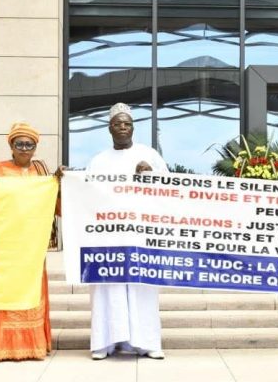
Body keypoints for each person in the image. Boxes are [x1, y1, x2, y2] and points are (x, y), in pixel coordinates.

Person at [79, 102, 166, 360]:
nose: (123, 128)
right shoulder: (98, 160)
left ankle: (148, 343)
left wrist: (151, 174)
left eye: (127, 124)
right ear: (110, 128)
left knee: (142, 288)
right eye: (118, 124)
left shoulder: (149, 155)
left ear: (133, 128)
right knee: (109, 288)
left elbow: (169, 189)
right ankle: (104, 343)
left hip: (140, 236)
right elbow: (85, 193)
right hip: (108, 237)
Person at [0, 122, 53, 361]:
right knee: (6, 293)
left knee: (32, 292)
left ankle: (34, 345)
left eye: (29, 144)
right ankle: (2, 346)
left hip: (32, 247)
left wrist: (58, 183)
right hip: (6, 246)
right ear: (11, 146)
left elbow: (54, 205)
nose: (24, 149)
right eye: (19, 144)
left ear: (35, 148)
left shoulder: (42, 173)